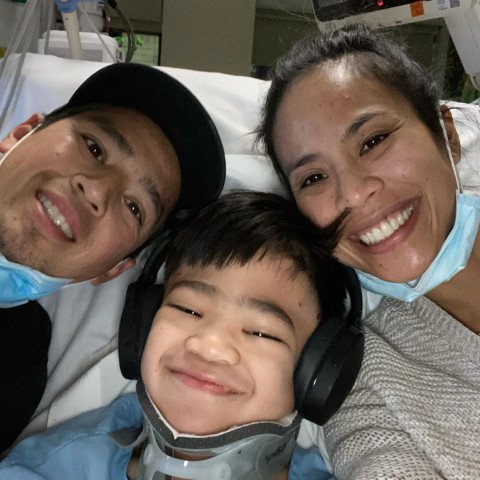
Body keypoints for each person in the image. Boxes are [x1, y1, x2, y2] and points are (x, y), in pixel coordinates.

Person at [0, 191, 362, 480]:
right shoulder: (51, 468)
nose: (208, 346)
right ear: (140, 329)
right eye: (188, 310)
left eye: (261, 332)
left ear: (317, 376)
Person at [256, 23, 480, 479]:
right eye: (313, 179)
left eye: (373, 141)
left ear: (448, 136)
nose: (354, 195)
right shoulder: (364, 386)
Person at [0, 62, 226, 452]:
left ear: (112, 269)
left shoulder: (14, 368)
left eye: (135, 207)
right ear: (20, 134)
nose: (97, 192)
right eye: (94, 148)